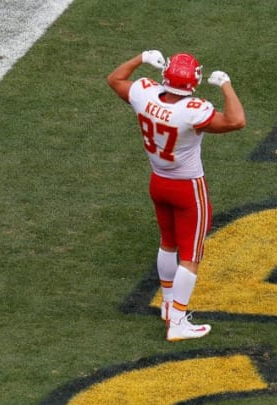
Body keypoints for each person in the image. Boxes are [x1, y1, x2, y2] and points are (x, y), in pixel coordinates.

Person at [107, 50, 245, 341]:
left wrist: (140, 57)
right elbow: (236, 121)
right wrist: (226, 85)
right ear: (192, 83)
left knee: (168, 243)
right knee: (191, 256)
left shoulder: (145, 94)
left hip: (158, 182)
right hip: (187, 187)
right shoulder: (192, 110)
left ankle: (168, 304)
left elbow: (115, 79)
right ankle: (178, 322)